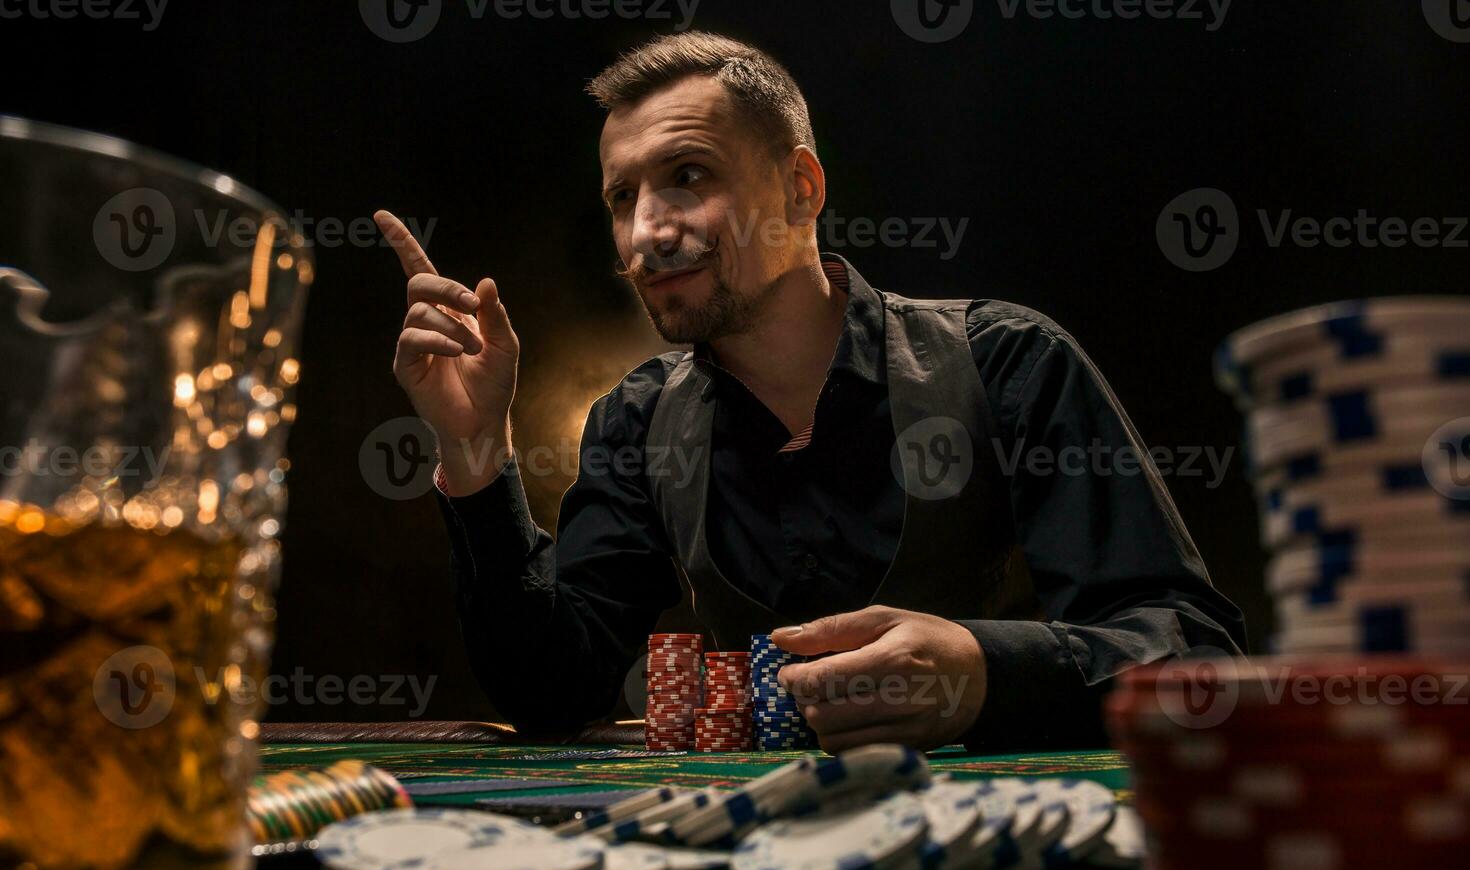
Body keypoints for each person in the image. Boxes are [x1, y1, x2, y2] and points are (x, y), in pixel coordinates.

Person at [374, 31, 1246, 753]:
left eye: (689, 175)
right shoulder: (636, 420)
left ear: (801, 186)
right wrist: (475, 447)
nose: (647, 231)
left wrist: (983, 670)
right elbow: (553, 693)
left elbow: (1190, 654)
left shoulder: (1008, 360)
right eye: (622, 195)